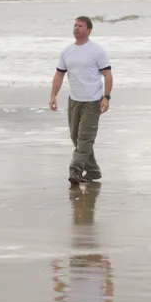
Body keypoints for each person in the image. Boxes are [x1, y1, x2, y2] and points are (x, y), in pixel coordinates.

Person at [49, 15, 112, 185]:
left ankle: (75, 169)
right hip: (74, 100)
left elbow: (107, 74)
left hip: (93, 101)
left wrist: (106, 97)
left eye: (81, 26)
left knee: (85, 138)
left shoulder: (97, 50)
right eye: (75, 25)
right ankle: (92, 170)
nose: (76, 28)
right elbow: (59, 74)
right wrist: (53, 95)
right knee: (75, 137)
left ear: (89, 30)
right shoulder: (67, 51)